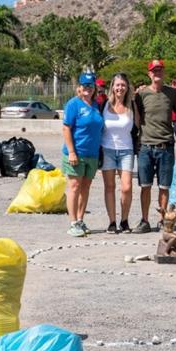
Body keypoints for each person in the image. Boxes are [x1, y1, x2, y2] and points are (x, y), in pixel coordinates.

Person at [135, 59, 176, 234]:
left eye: (160, 70)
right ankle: (144, 220)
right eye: (154, 70)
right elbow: (135, 114)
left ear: (163, 73)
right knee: (145, 186)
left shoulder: (171, 93)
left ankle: (163, 219)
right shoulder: (141, 95)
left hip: (165, 146)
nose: (157, 73)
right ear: (149, 74)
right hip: (146, 146)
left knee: (164, 186)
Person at [62, 73, 105, 237]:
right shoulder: (73, 104)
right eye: (84, 85)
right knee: (74, 187)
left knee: (85, 187)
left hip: (92, 154)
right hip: (76, 153)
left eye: (90, 86)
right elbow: (66, 128)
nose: (87, 88)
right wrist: (72, 152)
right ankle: (73, 222)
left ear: (94, 88)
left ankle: (80, 219)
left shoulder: (96, 105)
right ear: (79, 87)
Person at [100, 73, 138, 234]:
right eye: (117, 85)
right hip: (107, 148)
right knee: (109, 186)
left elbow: (140, 125)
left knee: (127, 187)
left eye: (123, 85)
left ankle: (124, 220)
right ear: (112, 87)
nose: (120, 88)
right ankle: (112, 222)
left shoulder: (132, 105)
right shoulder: (104, 104)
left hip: (126, 150)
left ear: (127, 87)